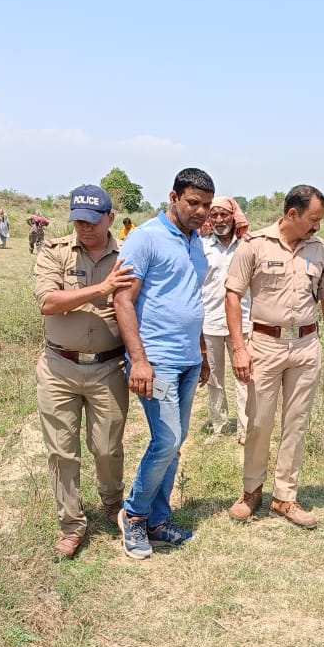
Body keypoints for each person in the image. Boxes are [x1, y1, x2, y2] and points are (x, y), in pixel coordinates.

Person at [225, 185, 324, 529]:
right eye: (313, 220)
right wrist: (239, 348)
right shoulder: (254, 246)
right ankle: (251, 492)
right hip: (264, 344)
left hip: (306, 347)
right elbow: (233, 296)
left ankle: (285, 497)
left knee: (297, 422)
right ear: (292, 214)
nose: (317, 227)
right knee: (259, 420)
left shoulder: (321, 250)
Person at [113, 168, 214, 559]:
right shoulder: (144, 238)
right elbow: (123, 300)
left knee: (175, 443)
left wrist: (202, 353)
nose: (201, 212)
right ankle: (135, 516)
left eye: (206, 205)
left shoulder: (195, 242)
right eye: (193, 203)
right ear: (173, 197)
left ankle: (158, 521)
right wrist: (138, 360)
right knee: (167, 439)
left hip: (188, 359)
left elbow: (192, 301)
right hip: (156, 361)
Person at [33, 185, 135, 560]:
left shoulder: (128, 254)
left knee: (107, 448)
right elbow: (47, 301)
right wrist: (101, 289)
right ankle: (71, 525)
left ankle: (112, 503)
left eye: (92, 222)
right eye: (78, 221)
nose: (85, 229)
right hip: (60, 367)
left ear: (110, 218)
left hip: (109, 367)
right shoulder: (55, 251)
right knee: (63, 452)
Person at [200, 197, 253, 443]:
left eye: (224, 215)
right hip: (209, 320)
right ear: (209, 219)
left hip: (242, 321)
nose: (220, 220)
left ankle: (245, 429)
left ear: (234, 217)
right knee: (214, 378)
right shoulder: (201, 245)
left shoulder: (247, 245)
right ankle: (219, 425)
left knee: (245, 376)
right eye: (214, 216)